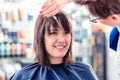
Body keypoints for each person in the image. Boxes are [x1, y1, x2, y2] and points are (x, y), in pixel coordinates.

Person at [10, 11, 98, 80]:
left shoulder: (84, 72)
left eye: (66, 32)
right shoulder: (23, 76)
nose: (62, 40)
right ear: (40, 37)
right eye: (54, 33)